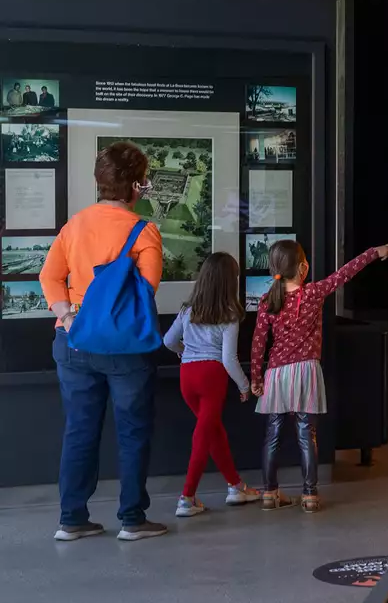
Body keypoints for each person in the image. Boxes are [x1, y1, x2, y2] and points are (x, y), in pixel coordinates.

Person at [40, 141, 167, 541]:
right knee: (132, 432)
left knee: (79, 429)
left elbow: (49, 277)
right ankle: (132, 519)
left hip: (74, 343)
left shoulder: (74, 224)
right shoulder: (144, 231)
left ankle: (72, 519)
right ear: (136, 185)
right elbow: (145, 290)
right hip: (126, 348)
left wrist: (69, 314)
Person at [250, 239, 388, 511]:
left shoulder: (267, 301)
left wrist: (256, 378)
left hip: (277, 374)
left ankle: (269, 493)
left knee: (273, 434)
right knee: (307, 435)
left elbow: (259, 343)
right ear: (303, 268)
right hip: (306, 371)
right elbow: (346, 272)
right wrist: (374, 252)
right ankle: (310, 495)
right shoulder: (314, 292)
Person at [163, 252, 260, 518]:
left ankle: (236, 486)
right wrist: (244, 385)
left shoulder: (187, 310)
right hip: (212, 377)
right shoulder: (229, 314)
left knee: (213, 432)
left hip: (187, 377)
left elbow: (168, 341)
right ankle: (187, 498)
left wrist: (185, 351)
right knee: (203, 436)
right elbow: (228, 358)